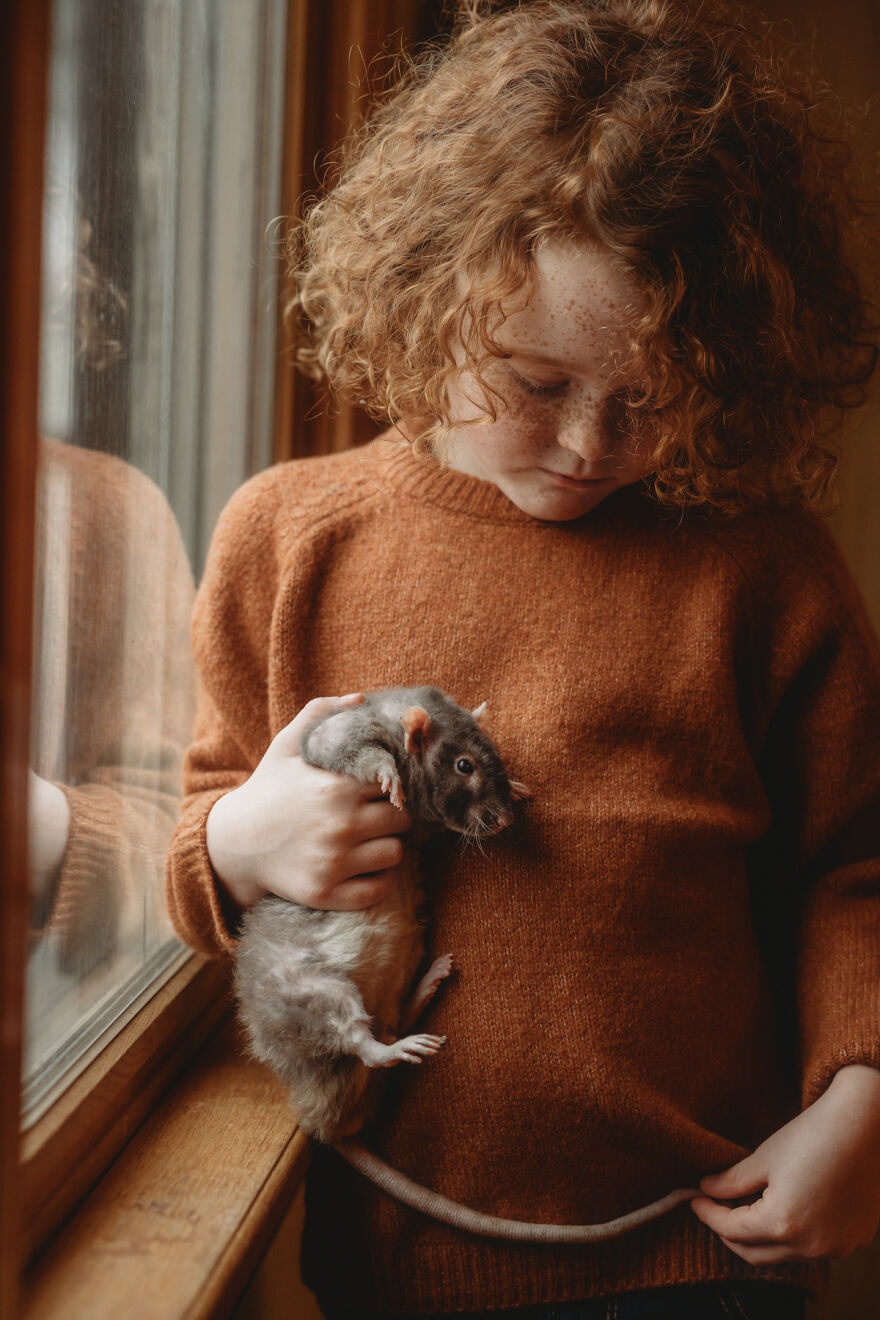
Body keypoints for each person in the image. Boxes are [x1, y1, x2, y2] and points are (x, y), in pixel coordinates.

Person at [165, 1, 880, 1316]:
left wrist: (864, 1100)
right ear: (431, 298)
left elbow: (854, 872)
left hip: (707, 1248)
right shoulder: (291, 536)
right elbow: (194, 838)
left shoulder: (765, 568)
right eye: (536, 381)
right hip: (392, 1254)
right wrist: (236, 846)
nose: (587, 443)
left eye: (650, 399)